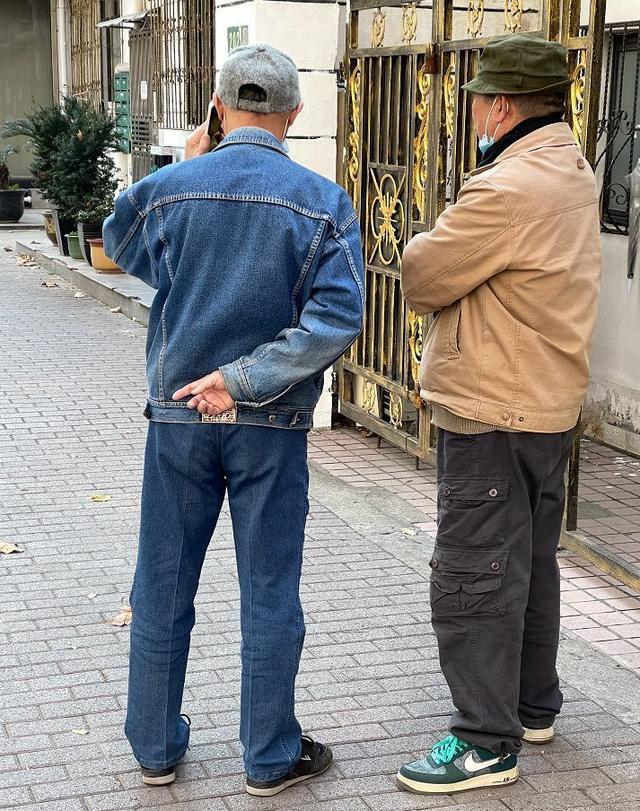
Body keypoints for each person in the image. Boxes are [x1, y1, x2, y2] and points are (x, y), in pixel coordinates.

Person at [103, 44, 364, 797]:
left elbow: (124, 248)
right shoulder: (322, 200)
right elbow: (339, 316)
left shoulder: (173, 188)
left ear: (217, 108)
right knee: (270, 589)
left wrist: (182, 171)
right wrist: (246, 379)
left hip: (178, 413)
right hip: (271, 420)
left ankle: (154, 747)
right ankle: (269, 755)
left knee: (162, 581)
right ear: (294, 113)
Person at [396, 34, 602, 795]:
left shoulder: (506, 186)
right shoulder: (571, 168)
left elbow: (422, 274)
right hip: (544, 404)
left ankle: (485, 738)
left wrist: (428, 239)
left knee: (474, 570)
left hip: (492, 408)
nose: (474, 108)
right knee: (526, 560)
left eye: (479, 97)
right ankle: (531, 702)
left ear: (503, 105)